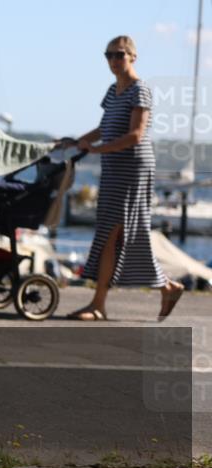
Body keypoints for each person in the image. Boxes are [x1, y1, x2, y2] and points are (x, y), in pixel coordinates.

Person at [62, 36, 184, 321]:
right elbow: (105, 127)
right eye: (108, 56)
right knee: (117, 234)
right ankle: (166, 287)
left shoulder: (140, 90)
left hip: (132, 167)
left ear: (133, 57)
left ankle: (98, 304)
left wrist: (97, 150)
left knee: (113, 233)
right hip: (113, 167)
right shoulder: (112, 91)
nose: (113, 61)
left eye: (119, 55)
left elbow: (135, 135)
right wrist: (75, 142)